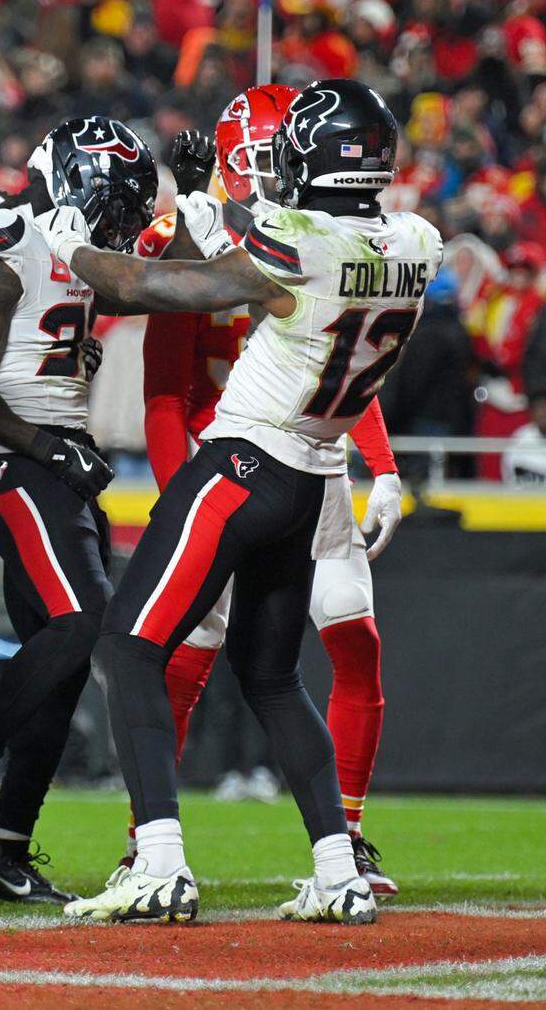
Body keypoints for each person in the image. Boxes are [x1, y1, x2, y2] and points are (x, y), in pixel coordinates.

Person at [36, 79, 442, 924]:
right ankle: (338, 871)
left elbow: (167, 290)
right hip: (310, 480)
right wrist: (204, 210)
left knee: (131, 648)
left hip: (244, 463)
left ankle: (157, 860)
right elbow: (264, 246)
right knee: (272, 677)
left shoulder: (299, 239)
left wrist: (71, 245)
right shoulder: (417, 241)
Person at [138, 86, 403, 897]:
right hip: (232, 460)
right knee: (193, 656)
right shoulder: (207, 233)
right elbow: (163, 389)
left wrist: (382, 464)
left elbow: (348, 363)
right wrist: (178, 487)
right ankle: (144, 842)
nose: (265, 174)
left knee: (340, 646)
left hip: (304, 465)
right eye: (251, 160)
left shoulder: (318, 239)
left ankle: (344, 839)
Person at [0, 117, 155, 904]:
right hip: (14, 456)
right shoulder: (8, 235)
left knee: (55, 662)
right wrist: (47, 448)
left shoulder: (75, 246)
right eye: (117, 202)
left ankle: (4, 849)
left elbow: (162, 280)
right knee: (86, 619)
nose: (124, 222)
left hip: (54, 452)